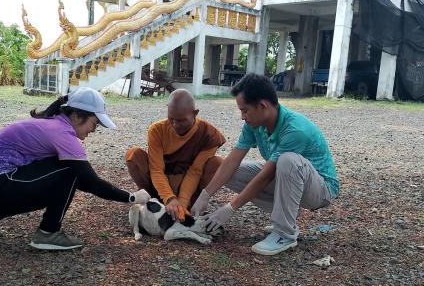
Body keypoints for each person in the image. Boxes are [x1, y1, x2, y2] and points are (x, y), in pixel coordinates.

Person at [0, 87, 150, 250]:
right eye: (95, 123)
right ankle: (49, 232)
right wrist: (131, 197)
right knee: (70, 170)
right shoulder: (62, 133)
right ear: (77, 116)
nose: (94, 130)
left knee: (68, 175)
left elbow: (79, 182)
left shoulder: (52, 125)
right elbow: (91, 182)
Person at [191, 73, 339, 255]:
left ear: (262, 106)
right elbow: (233, 160)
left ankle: (285, 234)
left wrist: (230, 208)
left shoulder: (295, 129)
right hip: (288, 177)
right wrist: (205, 195)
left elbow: (267, 175)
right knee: (223, 168)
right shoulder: (255, 124)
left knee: (288, 161)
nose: (242, 117)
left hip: (320, 190)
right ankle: (286, 214)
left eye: (245, 110)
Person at [126, 89, 226, 221]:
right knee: (133, 154)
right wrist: (169, 198)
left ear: (195, 113)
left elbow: (195, 172)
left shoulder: (209, 134)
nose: (175, 125)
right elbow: (156, 170)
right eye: (171, 119)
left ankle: (190, 206)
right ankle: (152, 200)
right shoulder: (157, 130)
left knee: (218, 163)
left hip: (191, 188)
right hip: (160, 186)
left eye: (181, 120)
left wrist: (182, 202)